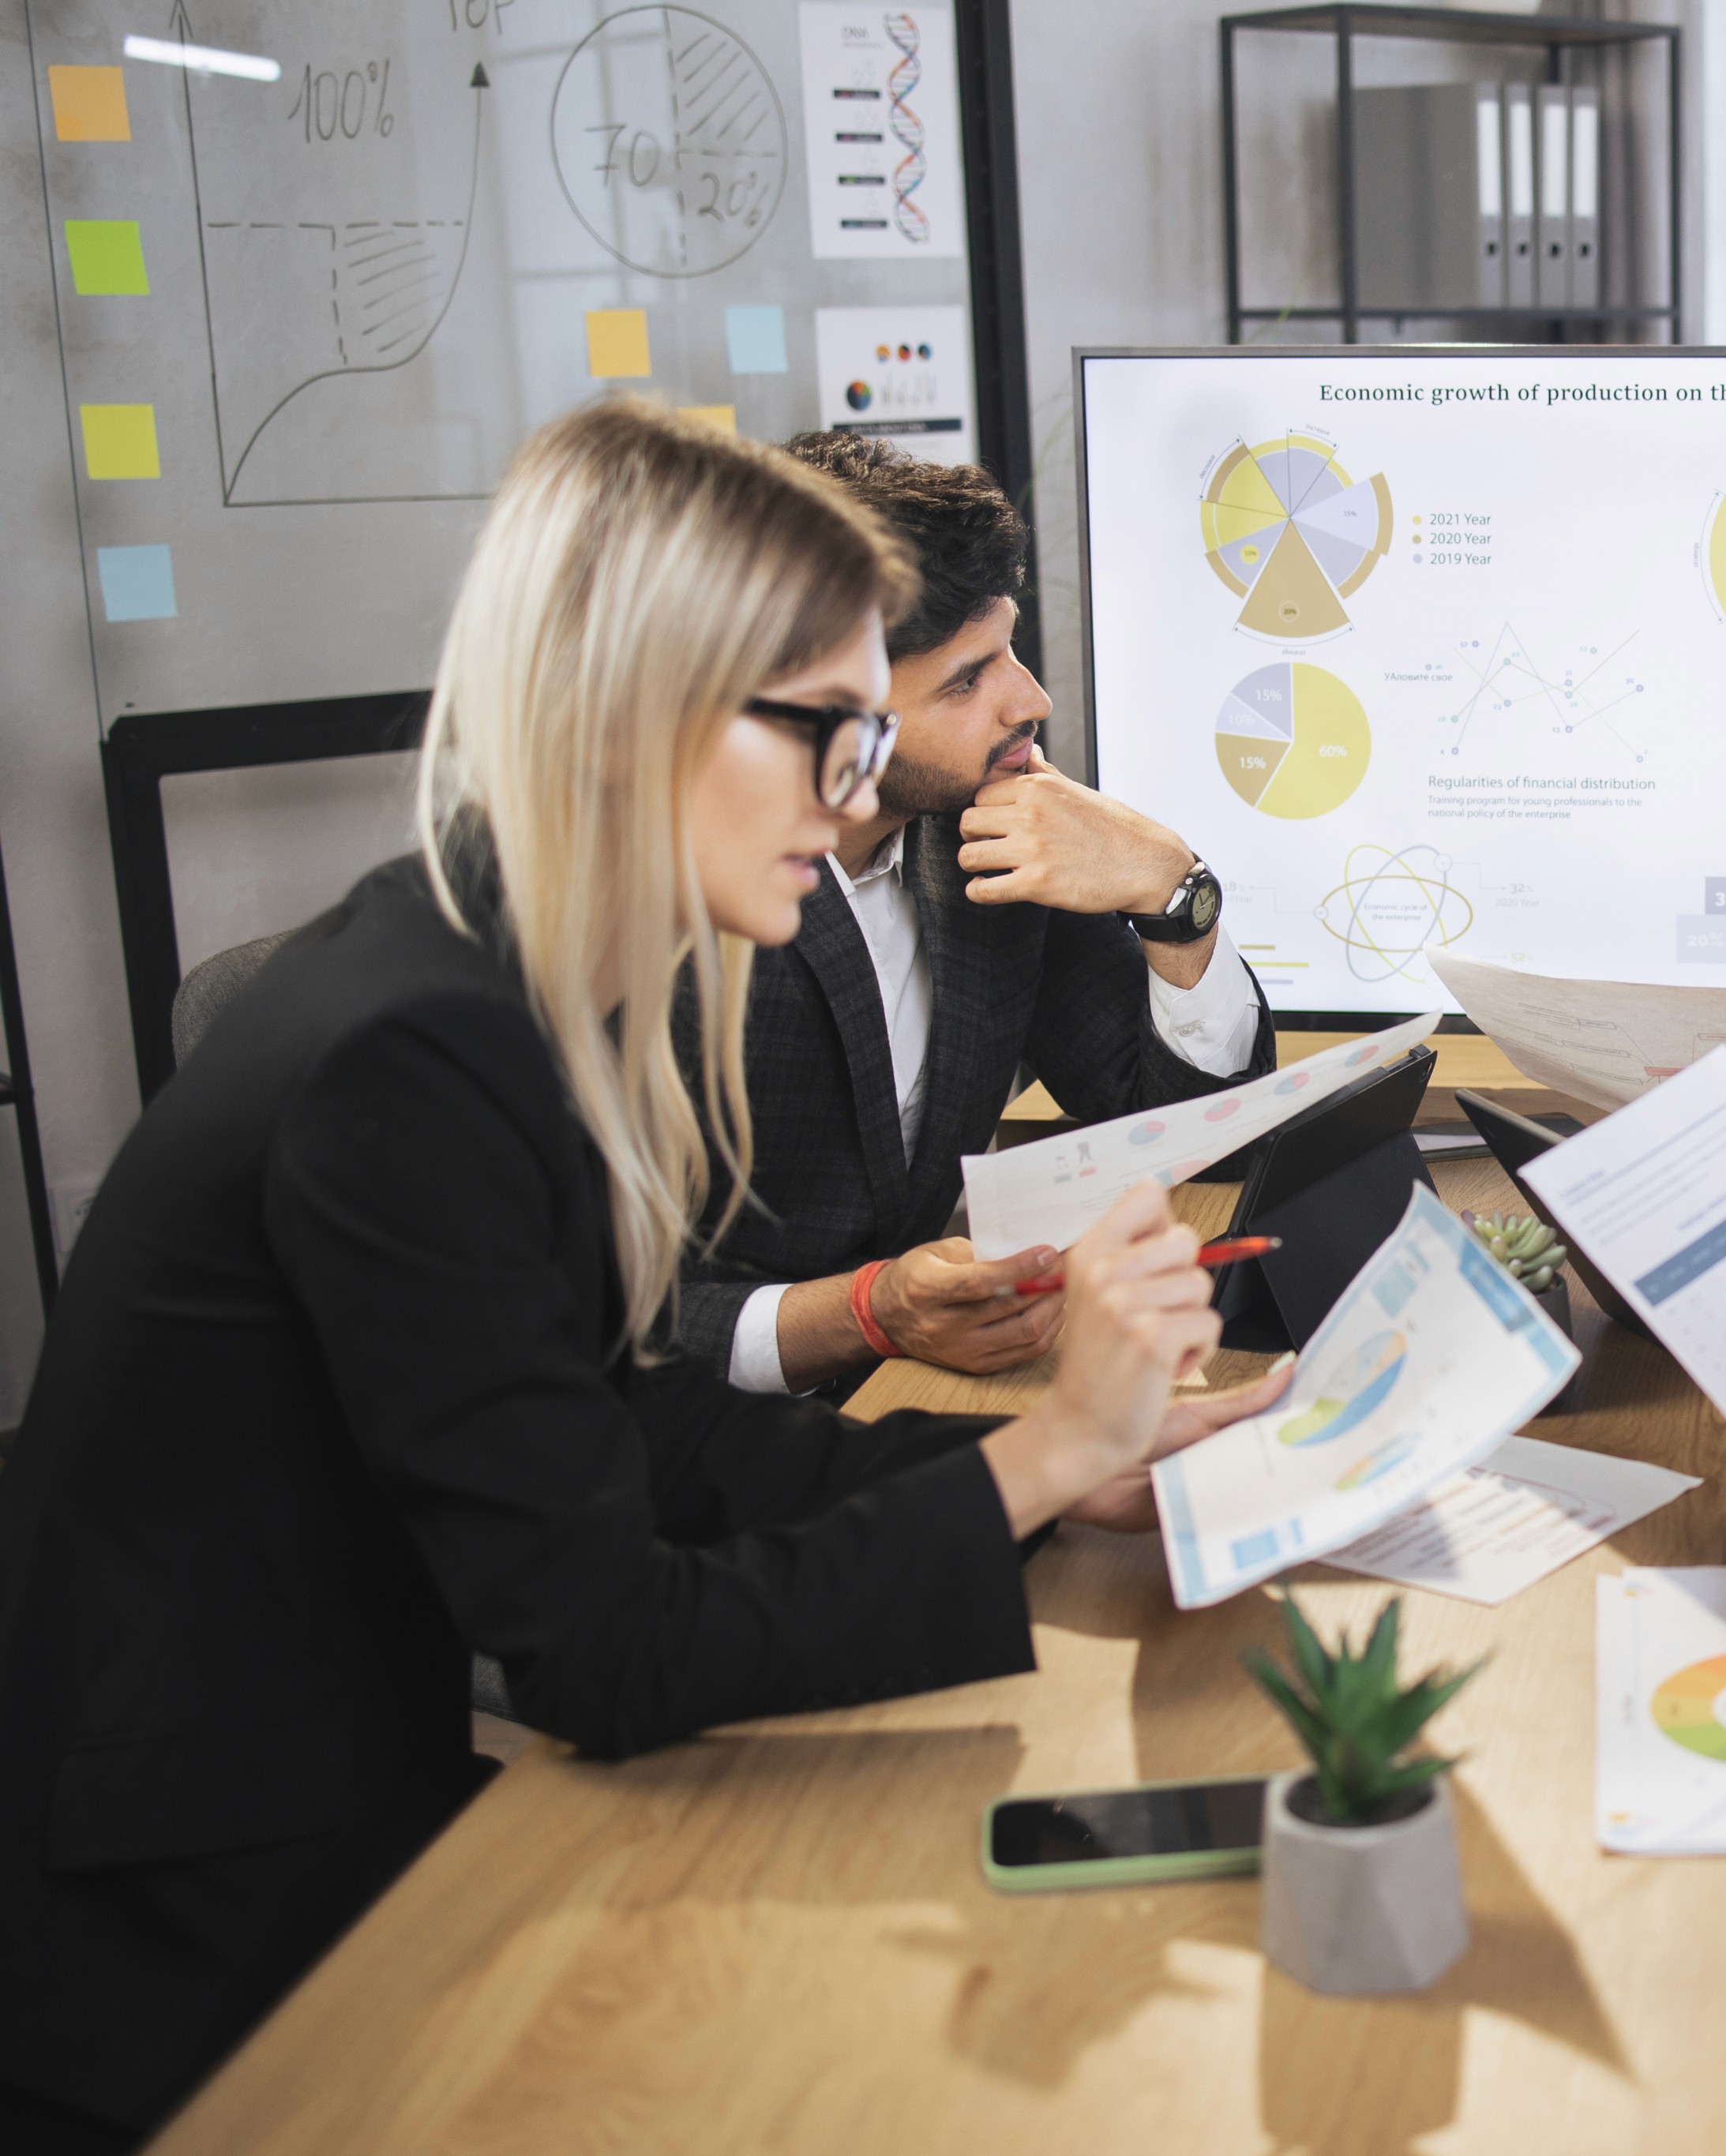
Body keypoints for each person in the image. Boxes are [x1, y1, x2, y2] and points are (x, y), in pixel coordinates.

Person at [0, 403, 1291, 2153]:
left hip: (325, 1777)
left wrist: (1071, 1487)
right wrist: (1035, 1456)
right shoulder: (419, 1051)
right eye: (826, 738)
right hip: (204, 1898)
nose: (857, 804)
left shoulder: (491, 960)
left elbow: (638, 1437)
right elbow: (602, 1646)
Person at [677, 432, 1274, 1397]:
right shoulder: (668, 915)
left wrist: (1174, 895)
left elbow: (1195, 1131)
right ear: (822, 705)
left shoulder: (981, 831)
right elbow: (602, 1320)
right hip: (713, 1443)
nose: (1030, 700)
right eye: (966, 679)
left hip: (930, 1384)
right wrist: (864, 1311)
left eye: (1011, 651)